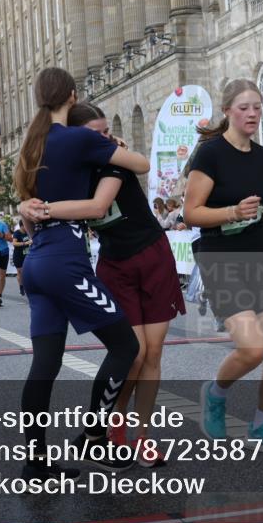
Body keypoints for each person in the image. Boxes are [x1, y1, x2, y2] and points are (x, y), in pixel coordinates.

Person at [23, 102, 186, 468]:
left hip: (151, 254)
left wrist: (38, 209)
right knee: (132, 352)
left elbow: (102, 202)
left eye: (106, 132)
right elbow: (54, 211)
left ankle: (141, 436)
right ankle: (111, 430)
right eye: (96, 133)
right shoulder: (72, 170)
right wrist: (25, 207)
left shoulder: (113, 159)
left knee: (151, 354)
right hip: (113, 262)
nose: (104, 138)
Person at [13, 67, 149, 480]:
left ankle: (36, 462)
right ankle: (94, 435)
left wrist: (31, 210)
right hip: (65, 261)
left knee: (45, 364)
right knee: (126, 347)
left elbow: (29, 216)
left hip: (37, 259)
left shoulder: (33, 145)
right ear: (72, 95)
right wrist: (112, 144)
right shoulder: (79, 139)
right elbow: (141, 164)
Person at [185, 79, 263, 455]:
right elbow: (191, 213)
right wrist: (232, 212)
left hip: (260, 254)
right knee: (253, 349)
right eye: (244, 108)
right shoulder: (210, 154)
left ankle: (262, 425)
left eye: (257, 107)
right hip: (220, 256)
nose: (253, 113)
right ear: (227, 112)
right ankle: (216, 394)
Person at [11, 224, 31, 297]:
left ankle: (28, 287)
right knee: (20, 272)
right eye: (25, 225)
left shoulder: (28, 231)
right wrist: (25, 243)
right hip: (18, 255)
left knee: (27, 272)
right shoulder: (17, 233)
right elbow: (14, 243)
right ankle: (21, 287)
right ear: (22, 226)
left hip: (27, 254)